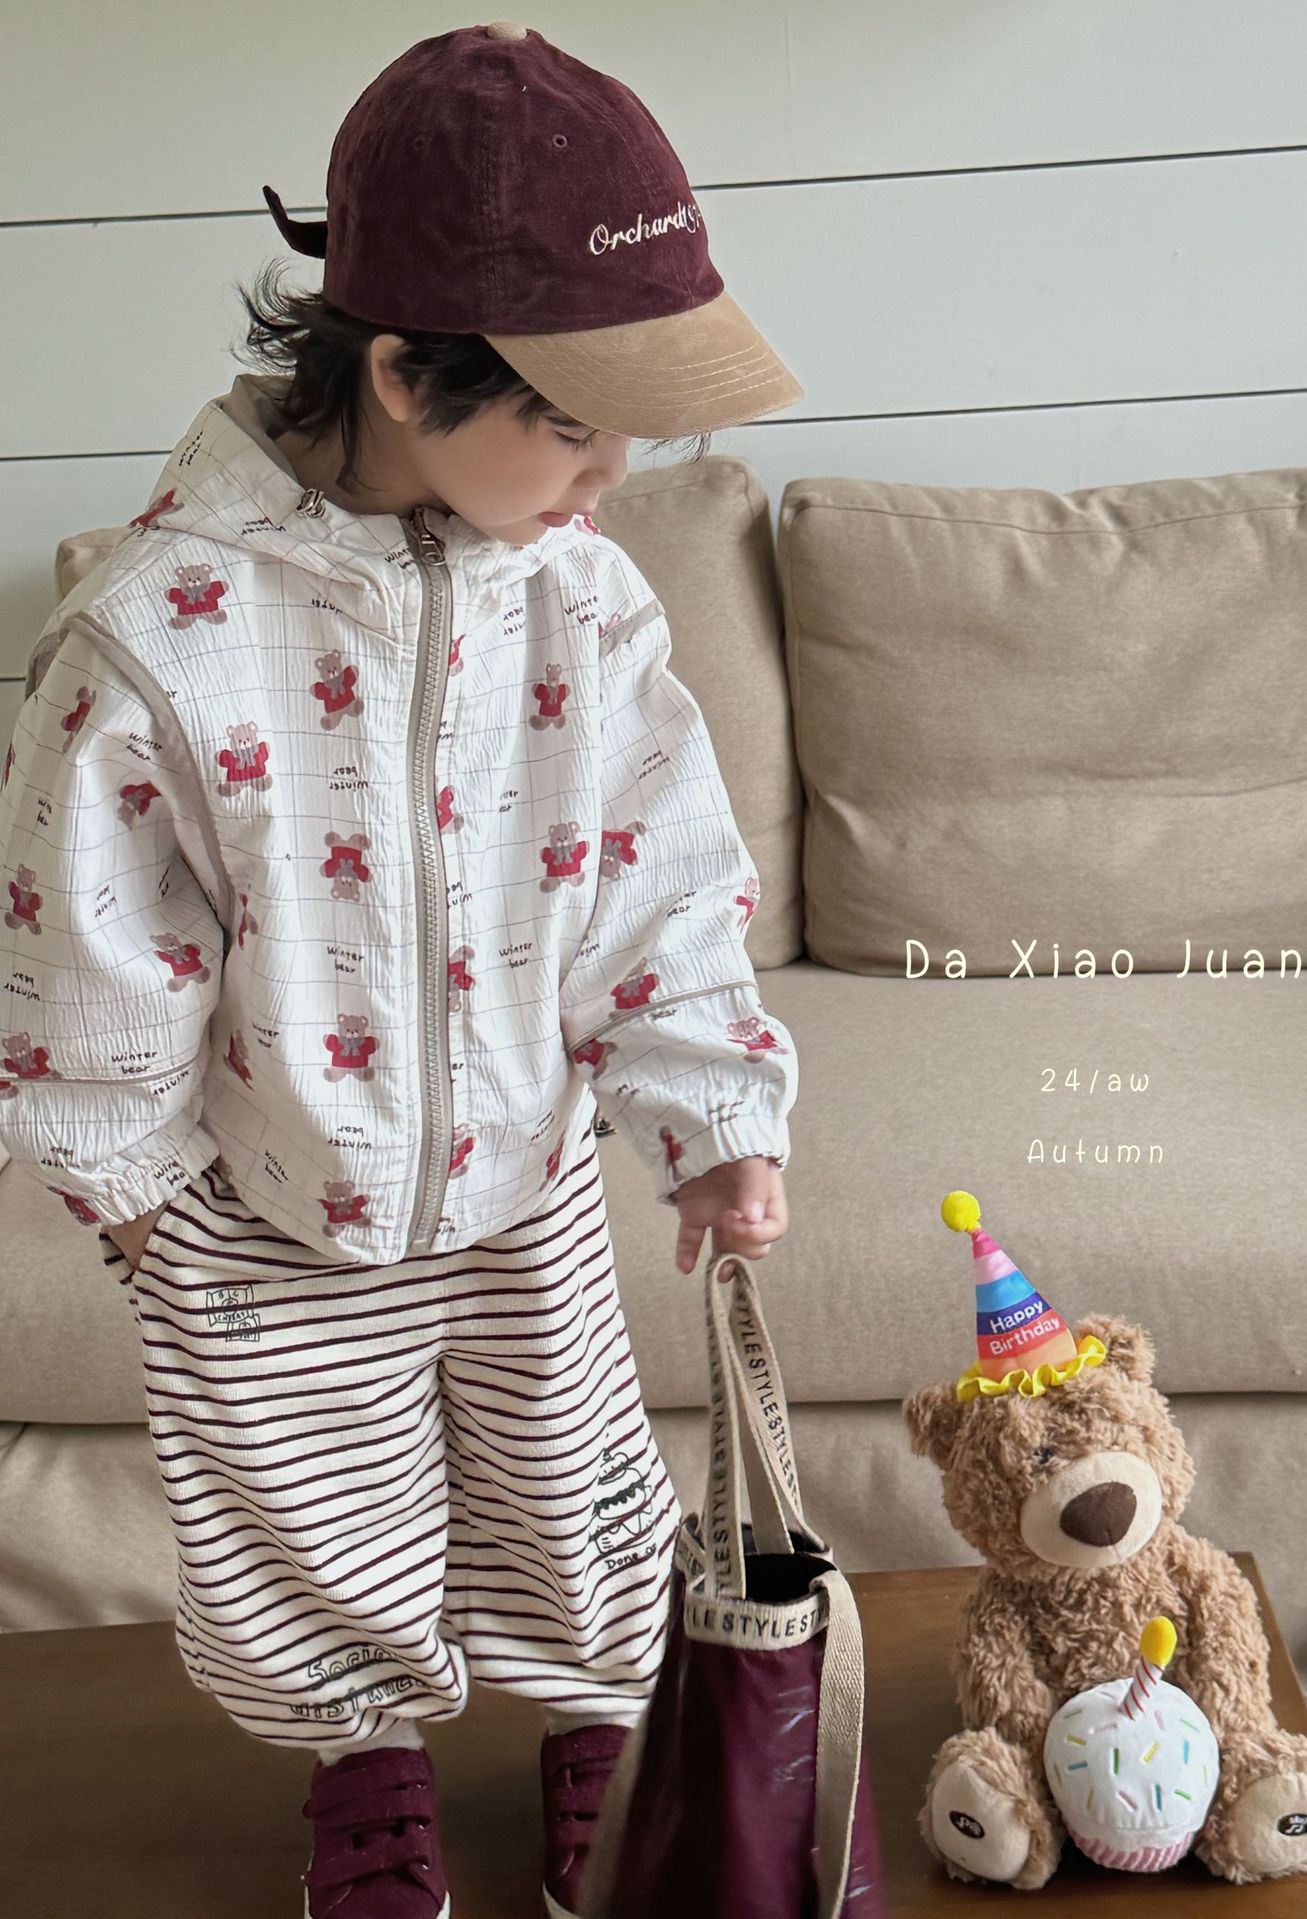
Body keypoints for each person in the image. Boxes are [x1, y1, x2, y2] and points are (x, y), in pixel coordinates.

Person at [0, 23, 803, 1918]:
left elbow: (664, 878)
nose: (613, 470)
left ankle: (594, 1717)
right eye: (577, 420)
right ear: (401, 369)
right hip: (269, 1203)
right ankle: (361, 1759)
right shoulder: (160, 631)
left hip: (528, 1177)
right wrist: (138, 1201)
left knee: (576, 1492)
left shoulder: (584, 599)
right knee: (309, 1524)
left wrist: (711, 1115)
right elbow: (88, 934)